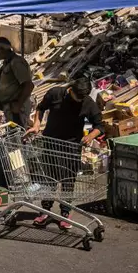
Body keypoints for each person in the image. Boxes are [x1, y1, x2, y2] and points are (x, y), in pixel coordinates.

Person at [27, 78, 103, 230]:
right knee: (49, 179)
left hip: (72, 146)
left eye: (83, 97)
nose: (81, 100)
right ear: (71, 90)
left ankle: (65, 213)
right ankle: (45, 210)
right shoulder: (55, 94)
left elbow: (99, 125)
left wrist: (89, 137)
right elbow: (41, 108)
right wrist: (36, 125)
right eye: (78, 97)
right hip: (51, 143)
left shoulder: (87, 102)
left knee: (68, 181)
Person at [0, 37, 34, 127]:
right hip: (10, 106)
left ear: (2, 49)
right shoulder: (7, 63)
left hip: (16, 107)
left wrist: (18, 104)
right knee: (13, 134)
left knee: (18, 134)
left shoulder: (16, 62)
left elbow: (28, 85)